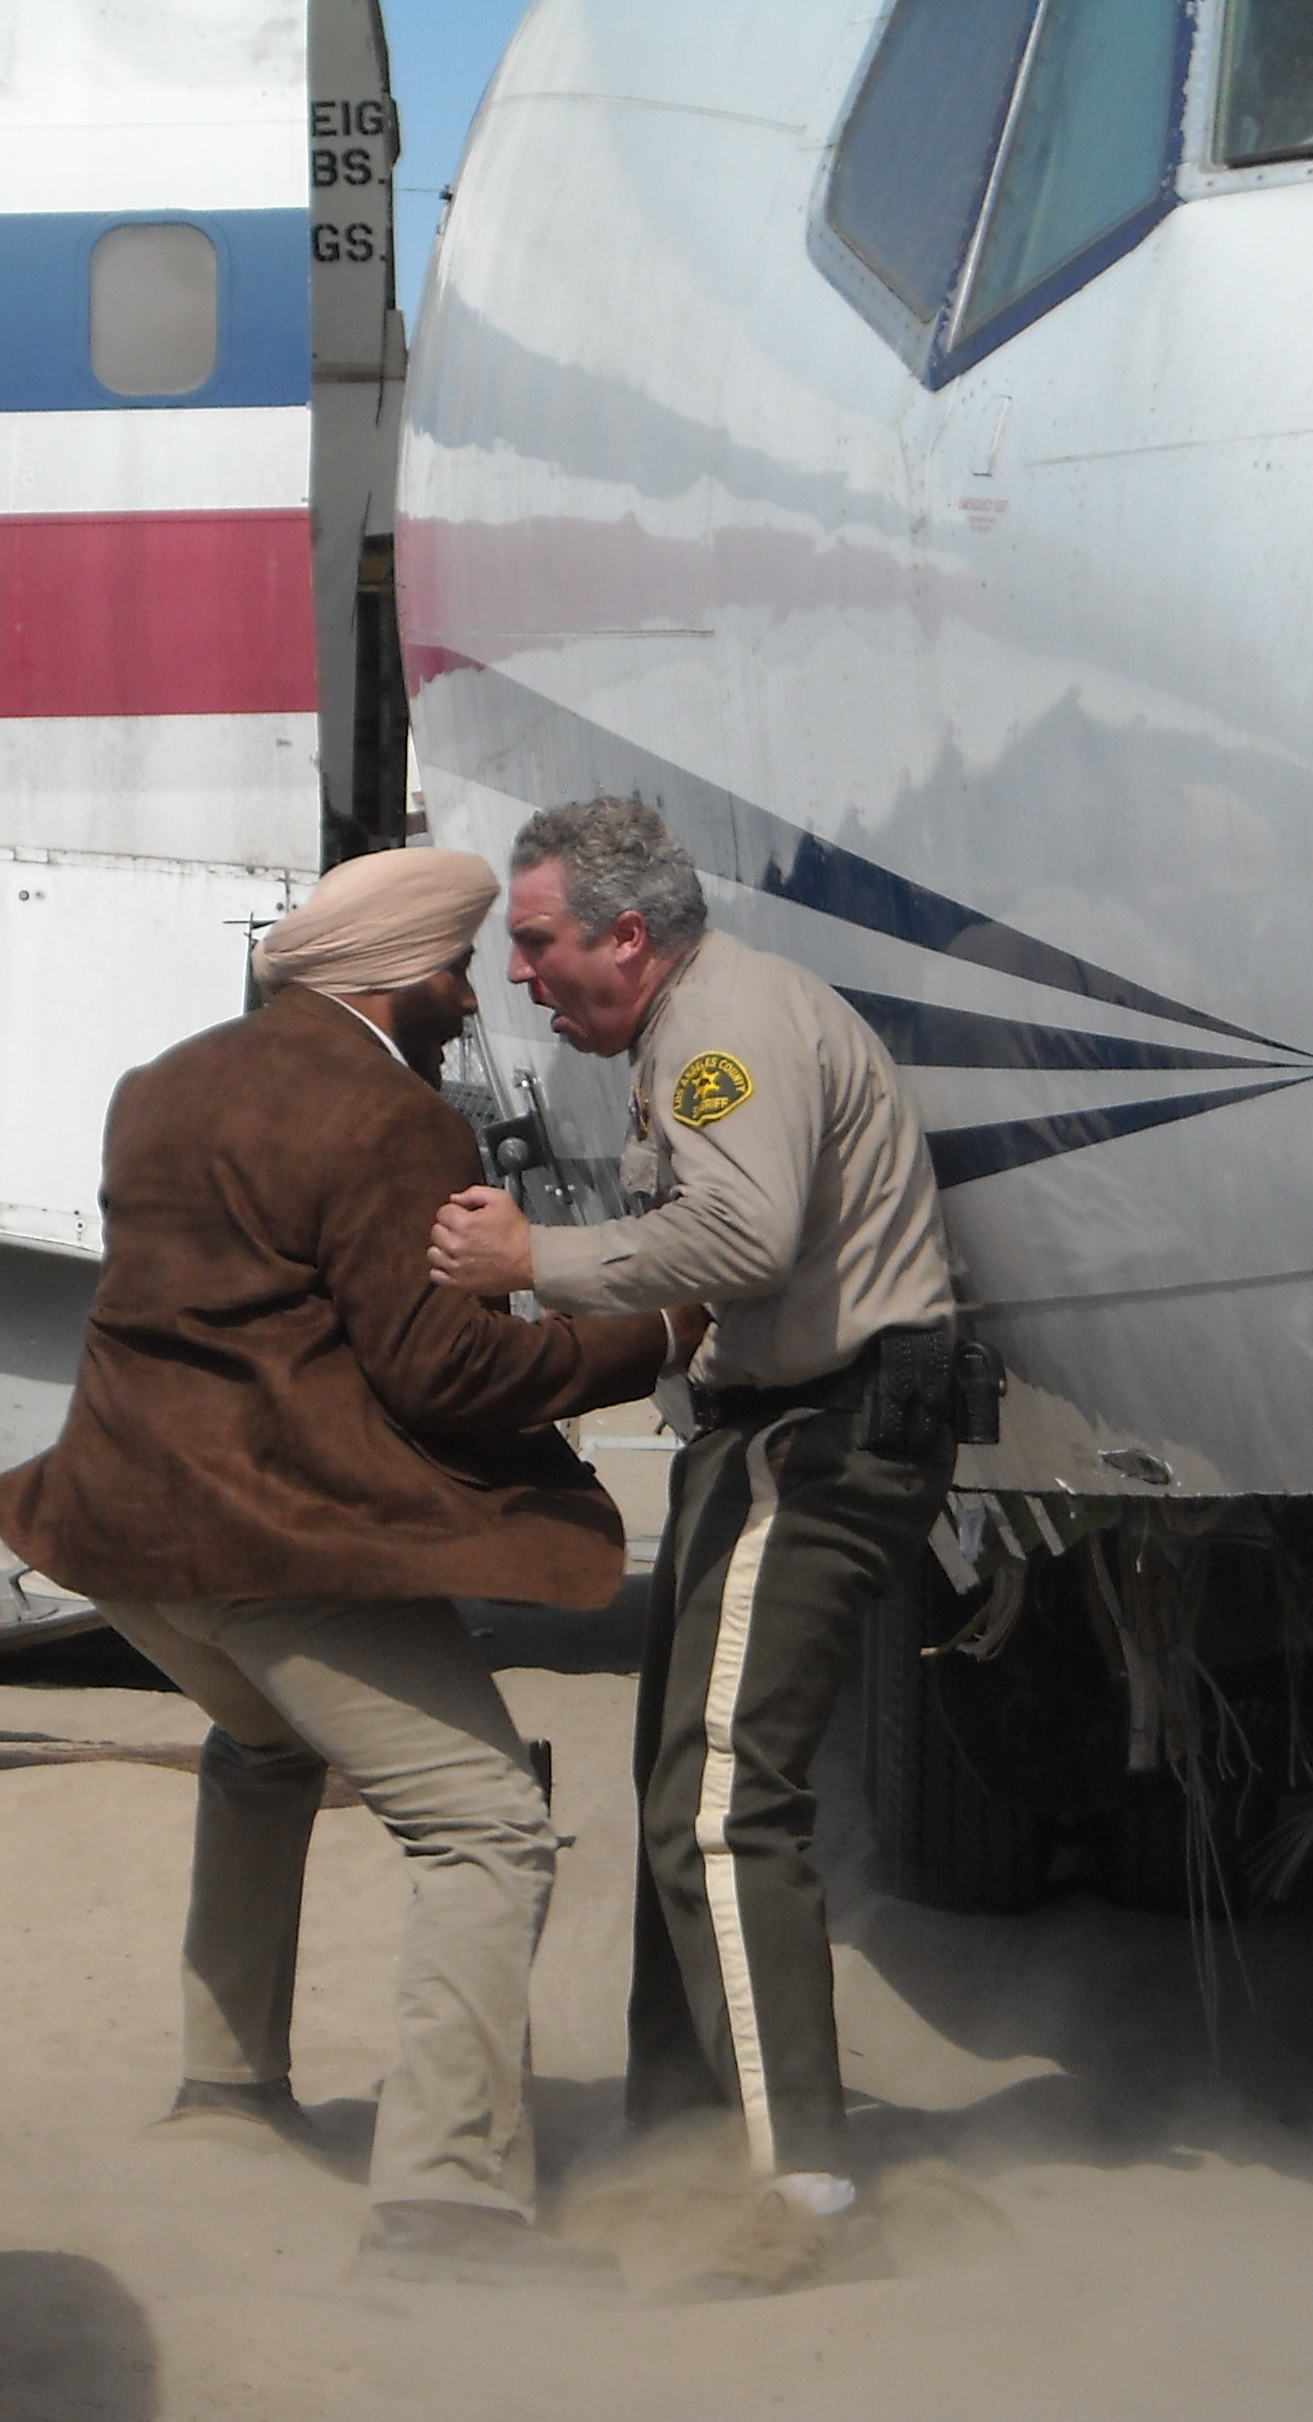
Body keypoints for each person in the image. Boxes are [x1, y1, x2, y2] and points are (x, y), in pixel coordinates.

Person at [0, 844, 679, 2289]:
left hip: (117, 1522)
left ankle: (226, 2097)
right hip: (263, 1532)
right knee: (486, 1824)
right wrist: (650, 1338)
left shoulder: (161, 1081)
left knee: (262, 1746)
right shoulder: (388, 1117)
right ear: (402, 976)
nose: (470, 993)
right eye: (457, 967)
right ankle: (446, 2212)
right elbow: (438, 1372)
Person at [425, 797, 958, 2272]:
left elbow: (745, 1239)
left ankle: (801, 2195)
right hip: (770, 1435)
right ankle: (680, 2132)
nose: (521, 975)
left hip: (824, 1442)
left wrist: (534, 1257)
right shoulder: (692, 1029)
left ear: (626, 935)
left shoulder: (726, 1033)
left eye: (536, 944)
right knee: (676, 1780)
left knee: (725, 1804)